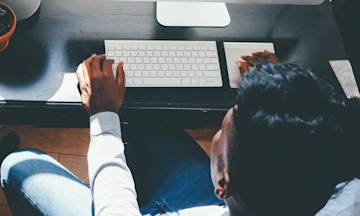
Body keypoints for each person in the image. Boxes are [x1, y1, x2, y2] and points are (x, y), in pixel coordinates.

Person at [1, 51, 360, 216]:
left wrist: (103, 116)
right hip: (213, 205)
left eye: (222, 129)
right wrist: (282, 97)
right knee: (154, 121)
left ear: (222, 180)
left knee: (18, 166)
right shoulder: (343, 195)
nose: (220, 130)